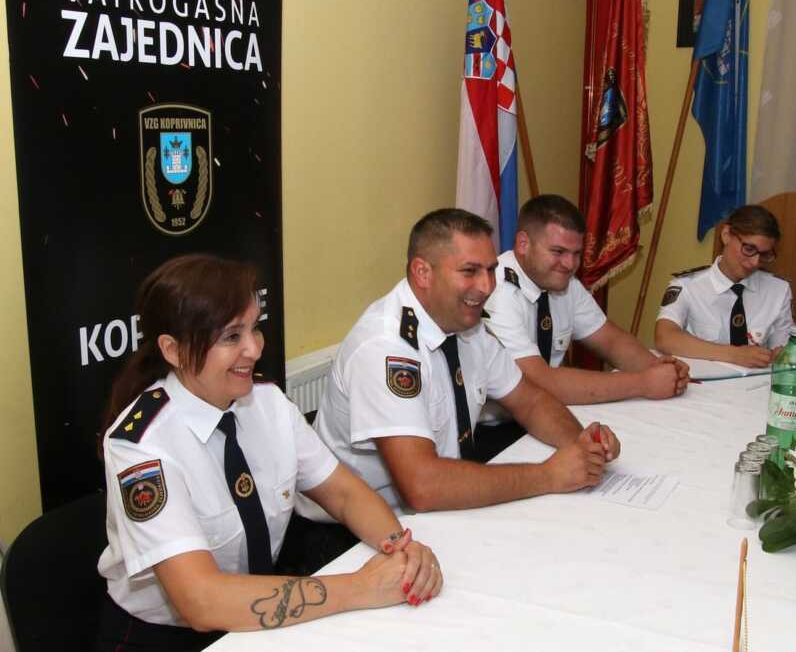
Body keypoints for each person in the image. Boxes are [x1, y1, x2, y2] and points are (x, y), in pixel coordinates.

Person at [96, 254, 442, 652]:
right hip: (168, 639)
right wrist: (361, 587)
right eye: (231, 337)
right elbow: (201, 601)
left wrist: (400, 549)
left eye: (254, 329)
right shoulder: (141, 446)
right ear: (173, 351)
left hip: (263, 611)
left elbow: (345, 494)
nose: (254, 349)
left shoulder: (267, 402)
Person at [306, 208, 620, 520]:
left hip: (440, 497)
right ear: (422, 272)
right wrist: (548, 476)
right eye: (469, 271)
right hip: (355, 527)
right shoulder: (385, 348)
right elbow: (422, 486)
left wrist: (581, 445)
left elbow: (530, 400)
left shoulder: (465, 323)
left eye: (491, 270)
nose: (486, 286)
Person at [482, 194, 689, 411]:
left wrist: (661, 369)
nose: (570, 264)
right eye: (558, 252)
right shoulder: (496, 291)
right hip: (500, 425)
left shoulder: (563, 282)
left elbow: (610, 340)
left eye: (576, 253)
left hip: (545, 412)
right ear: (523, 244)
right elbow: (540, 382)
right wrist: (643, 383)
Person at [654, 205, 793, 368]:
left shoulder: (778, 290)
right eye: (749, 249)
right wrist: (735, 355)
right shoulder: (687, 286)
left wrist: (781, 355)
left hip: (754, 382)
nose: (755, 262)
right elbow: (665, 337)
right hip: (703, 381)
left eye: (764, 254)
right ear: (726, 235)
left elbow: (784, 350)